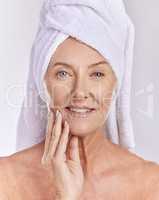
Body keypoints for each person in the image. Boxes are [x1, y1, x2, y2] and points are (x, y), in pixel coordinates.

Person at [0, 36, 159, 200]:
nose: (80, 92)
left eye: (97, 74)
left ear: (115, 83)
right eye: (63, 73)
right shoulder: (4, 179)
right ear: (42, 82)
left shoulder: (151, 183)